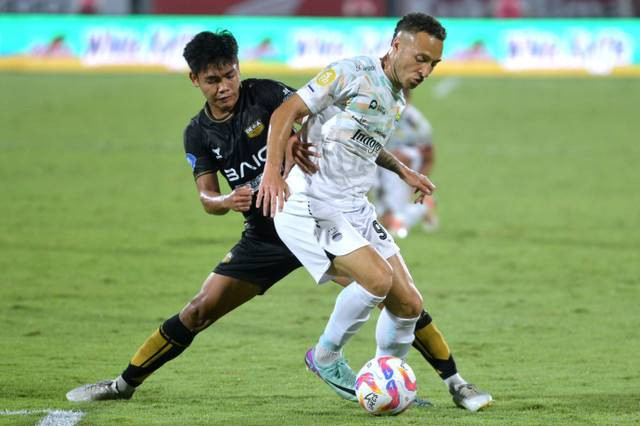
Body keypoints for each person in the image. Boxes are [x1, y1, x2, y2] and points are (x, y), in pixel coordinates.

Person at [65, 29, 481, 411]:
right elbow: (206, 198)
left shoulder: (265, 94)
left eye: (230, 75)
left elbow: (327, 126)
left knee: (392, 291)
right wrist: (228, 199)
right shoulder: (198, 134)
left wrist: (299, 143)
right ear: (195, 81)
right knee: (199, 310)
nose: (225, 86)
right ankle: (124, 383)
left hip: (316, 212)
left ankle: (439, 381)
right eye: (213, 80)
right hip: (265, 235)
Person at [258, 13, 492, 412]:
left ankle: (389, 382)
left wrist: (404, 171)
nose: (425, 71)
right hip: (311, 201)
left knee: (409, 306)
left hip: (353, 206)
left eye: (433, 64)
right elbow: (286, 113)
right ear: (396, 45)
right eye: (420, 59)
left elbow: (365, 142)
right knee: (378, 280)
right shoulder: (350, 73)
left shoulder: (396, 99)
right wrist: (273, 173)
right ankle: (326, 356)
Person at [375, 88, 438, 238]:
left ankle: (399, 218)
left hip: (404, 167)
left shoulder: (416, 122)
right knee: (378, 214)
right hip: (376, 162)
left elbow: (429, 156)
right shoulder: (377, 116)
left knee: (390, 218)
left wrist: (419, 183)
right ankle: (423, 208)